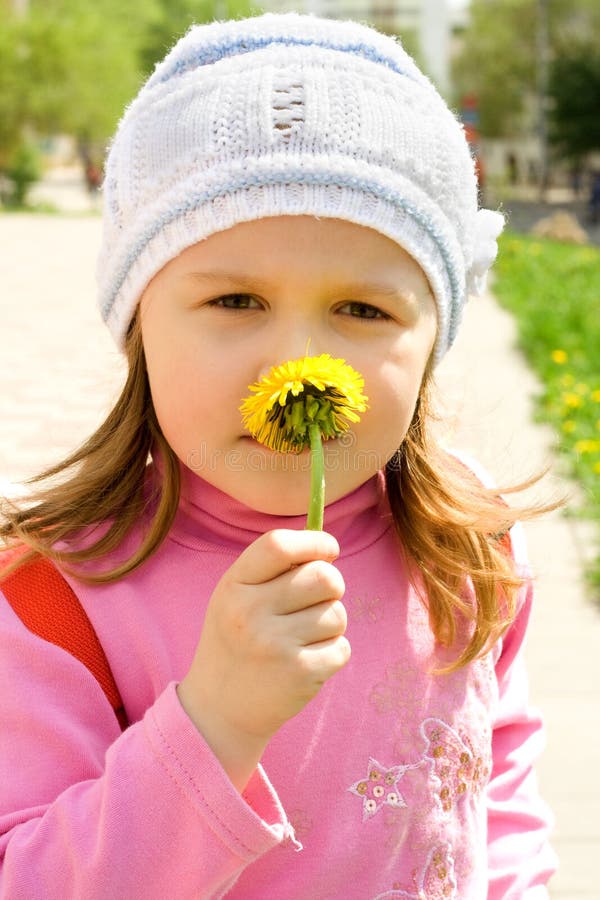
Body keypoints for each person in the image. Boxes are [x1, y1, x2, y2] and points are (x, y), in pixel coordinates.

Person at [0, 13, 557, 898]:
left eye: (364, 311)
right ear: (137, 322)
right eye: (235, 300)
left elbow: (498, 772)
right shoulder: (53, 603)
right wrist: (215, 724)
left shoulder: (473, 547)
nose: (301, 361)